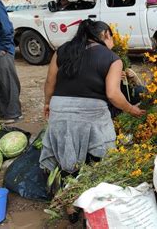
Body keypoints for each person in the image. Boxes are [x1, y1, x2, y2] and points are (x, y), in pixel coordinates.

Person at [41, 19, 145, 174]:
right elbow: (113, 94)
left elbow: (50, 82)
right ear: (105, 34)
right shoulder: (112, 58)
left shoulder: (62, 50)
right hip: (91, 112)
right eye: (112, 37)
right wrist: (131, 109)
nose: (113, 42)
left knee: (64, 142)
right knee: (104, 159)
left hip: (59, 107)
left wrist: (48, 104)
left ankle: (61, 166)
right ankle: (95, 160)